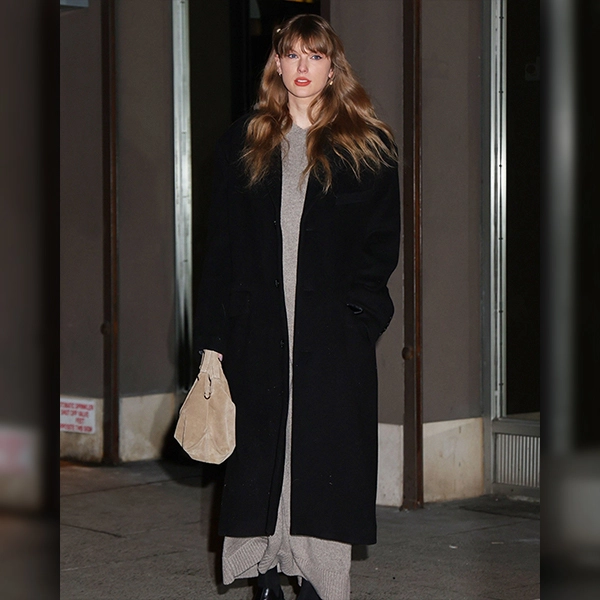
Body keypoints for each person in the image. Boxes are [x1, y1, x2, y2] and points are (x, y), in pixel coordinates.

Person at [194, 14, 400, 600]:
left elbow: (381, 246)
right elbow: (220, 249)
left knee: (324, 462)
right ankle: (263, 571)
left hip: (331, 337)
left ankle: (316, 578)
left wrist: (359, 318)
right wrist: (213, 341)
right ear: (277, 64)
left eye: (315, 55)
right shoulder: (243, 141)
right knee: (260, 456)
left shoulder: (367, 144)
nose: (302, 66)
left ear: (333, 67)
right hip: (256, 332)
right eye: (292, 54)